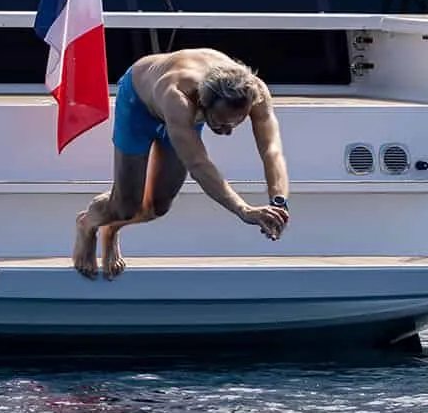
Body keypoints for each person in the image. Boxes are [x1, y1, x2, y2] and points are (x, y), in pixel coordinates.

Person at [70, 48, 290, 279]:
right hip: (139, 106)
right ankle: (87, 224)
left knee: (159, 206)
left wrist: (279, 202)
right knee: (126, 206)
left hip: (184, 118)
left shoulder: (255, 92)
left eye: (235, 124)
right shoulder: (177, 97)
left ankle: (112, 228)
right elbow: (198, 164)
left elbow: (272, 150)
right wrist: (243, 210)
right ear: (202, 103)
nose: (227, 133)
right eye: (220, 124)